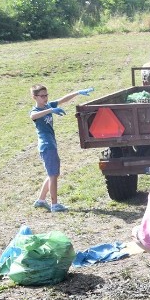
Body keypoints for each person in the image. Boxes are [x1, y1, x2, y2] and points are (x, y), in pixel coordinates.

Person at [30, 84, 93, 212]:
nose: (45, 98)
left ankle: (41, 200)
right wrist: (51, 111)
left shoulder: (48, 106)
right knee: (53, 175)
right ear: (34, 97)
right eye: (42, 96)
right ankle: (55, 205)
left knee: (53, 174)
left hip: (51, 144)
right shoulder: (36, 111)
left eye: (46, 95)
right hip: (47, 146)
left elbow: (63, 99)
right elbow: (33, 116)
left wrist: (78, 92)